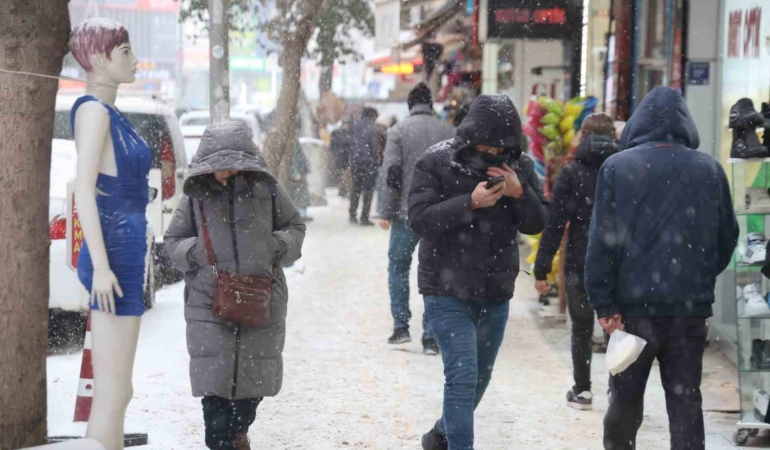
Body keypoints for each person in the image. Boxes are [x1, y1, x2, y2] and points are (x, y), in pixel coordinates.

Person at [584, 87, 739, 450]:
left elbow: (601, 241)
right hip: (689, 311)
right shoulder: (709, 169)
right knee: (686, 403)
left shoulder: (617, 168)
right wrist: (696, 277)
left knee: (624, 401)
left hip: (631, 313)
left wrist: (603, 303)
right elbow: (727, 237)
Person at [409, 94, 548, 450]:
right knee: (462, 378)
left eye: (503, 149)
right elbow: (420, 219)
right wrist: (469, 203)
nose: (495, 155)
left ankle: (440, 436)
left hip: (496, 289)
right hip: (445, 287)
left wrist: (520, 194)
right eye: (487, 147)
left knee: (480, 380)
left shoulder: (520, 167)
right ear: (471, 138)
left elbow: (538, 223)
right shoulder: (437, 161)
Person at [164, 121, 306, 450]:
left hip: (261, 295)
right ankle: (222, 441)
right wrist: (197, 253)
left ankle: (239, 429)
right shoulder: (195, 197)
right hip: (207, 300)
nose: (226, 172)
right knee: (214, 388)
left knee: (252, 385)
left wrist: (276, 247)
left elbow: (294, 226)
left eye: (232, 164)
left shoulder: (266, 189)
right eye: (219, 166)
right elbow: (173, 241)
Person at [533, 113, 619, 411]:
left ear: (582, 136)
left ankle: (582, 391)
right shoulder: (626, 170)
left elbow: (555, 224)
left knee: (581, 327)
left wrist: (542, 267)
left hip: (580, 258)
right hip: (618, 261)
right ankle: (617, 391)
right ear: (613, 136)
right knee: (617, 326)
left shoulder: (571, 174)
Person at [379, 83, 455, 353]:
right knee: (435, 273)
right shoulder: (448, 131)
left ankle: (400, 327)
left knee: (398, 267)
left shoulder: (398, 131)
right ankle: (431, 336)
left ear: (410, 105)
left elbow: (392, 173)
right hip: (438, 214)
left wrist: (386, 211)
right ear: (430, 103)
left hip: (406, 213)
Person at [348, 107, 380, 225]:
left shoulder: (354, 126)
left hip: (356, 163)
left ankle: (352, 215)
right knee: (368, 191)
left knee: (355, 189)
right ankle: (364, 217)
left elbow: (350, 144)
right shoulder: (372, 127)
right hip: (369, 163)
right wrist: (376, 160)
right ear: (372, 116)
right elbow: (374, 146)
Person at [330, 118, 353, 197]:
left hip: (347, 157)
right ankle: (344, 191)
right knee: (344, 175)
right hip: (341, 157)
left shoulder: (351, 133)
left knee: (346, 175)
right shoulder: (337, 133)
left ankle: (343, 190)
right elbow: (333, 145)